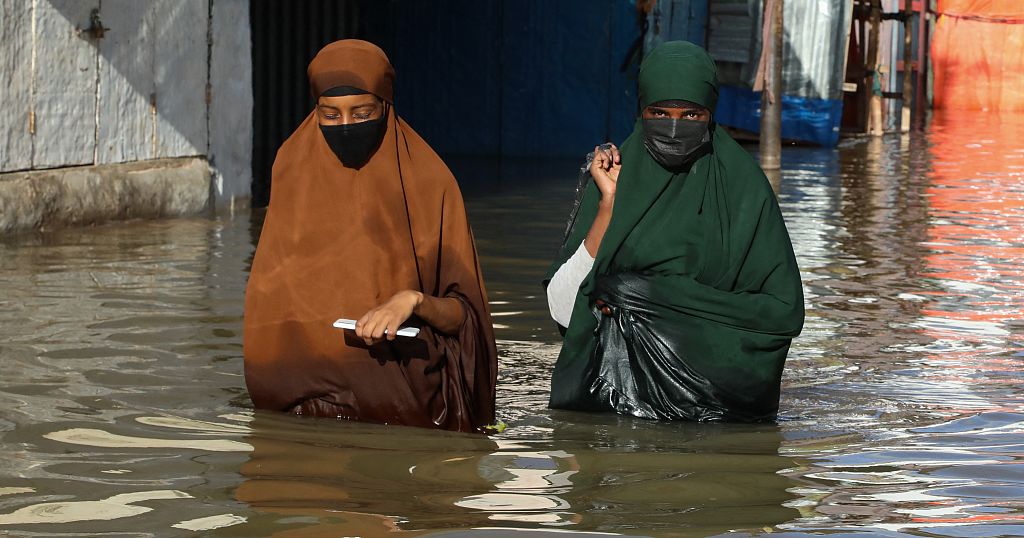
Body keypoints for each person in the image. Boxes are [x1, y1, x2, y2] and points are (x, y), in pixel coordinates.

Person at [243, 40, 497, 433]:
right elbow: (270, 308)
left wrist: (411, 301)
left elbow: (466, 316)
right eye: (330, 115)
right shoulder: (292, 171)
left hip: (407, 412)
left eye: (363, 112)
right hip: (297, 407)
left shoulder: (429, 182)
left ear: (386, 107)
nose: (346, 127)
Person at [544, 41, 804, 422]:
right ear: (641, 111)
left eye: (692, 115)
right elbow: (563, 311)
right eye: (659, 112)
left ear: (710, 114)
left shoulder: (744, 190)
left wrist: (649, 298)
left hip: (718, 414)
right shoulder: (617, 177)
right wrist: (608, 208)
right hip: (614, 411)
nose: (673, 126)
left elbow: (782, 314)